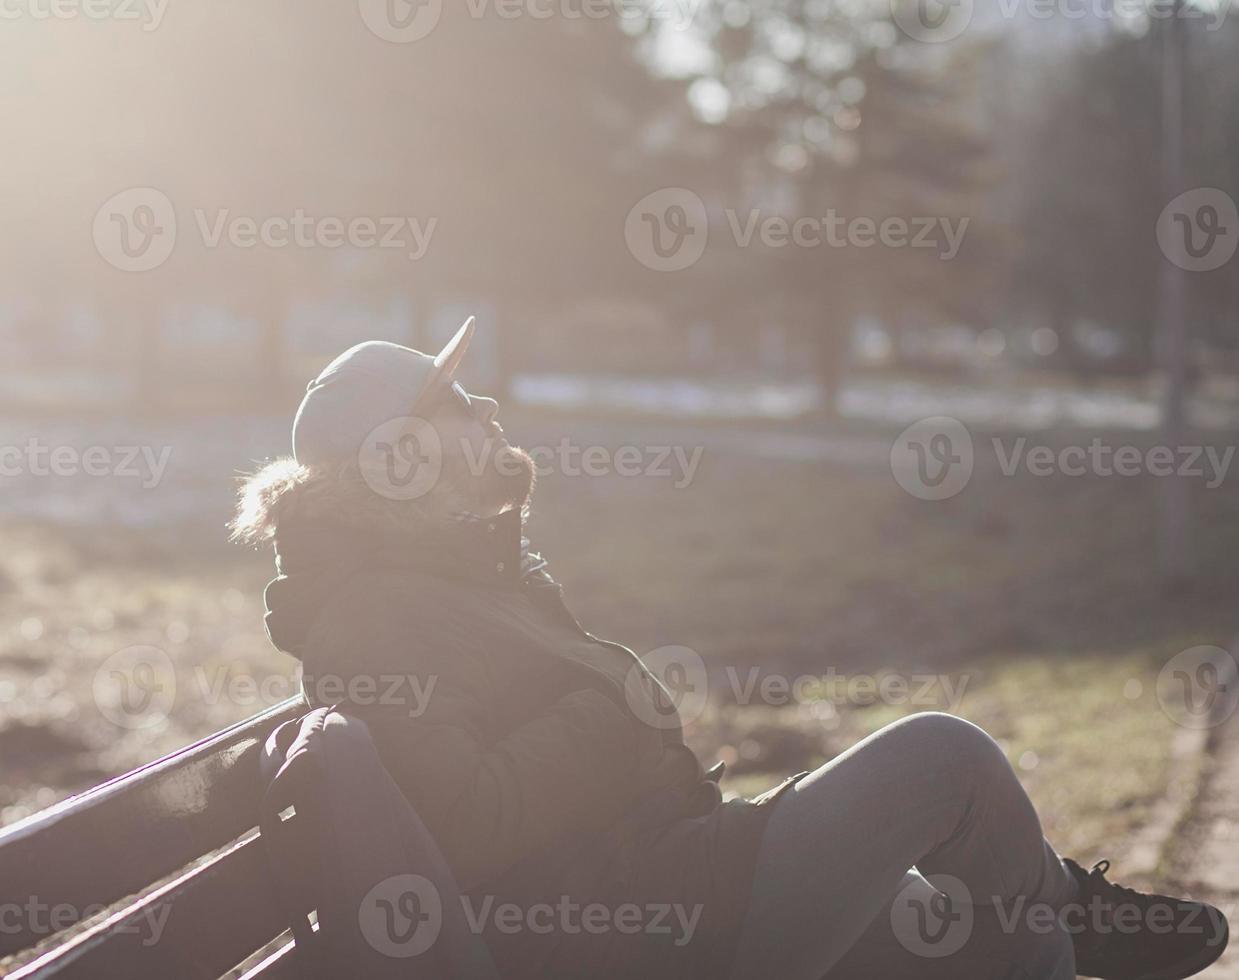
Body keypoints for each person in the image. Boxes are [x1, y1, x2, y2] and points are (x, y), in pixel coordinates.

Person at [232, 321, 1229, 980]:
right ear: (397, 459)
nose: (487, 409)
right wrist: (613, 708)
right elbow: (472, 822)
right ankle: (1074, 908)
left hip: (674, 879)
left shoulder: (463, 577)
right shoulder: (374, 617)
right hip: (634, 931)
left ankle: (1062, 909)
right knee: (944, 758)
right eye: (455, 402)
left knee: (985, 932)